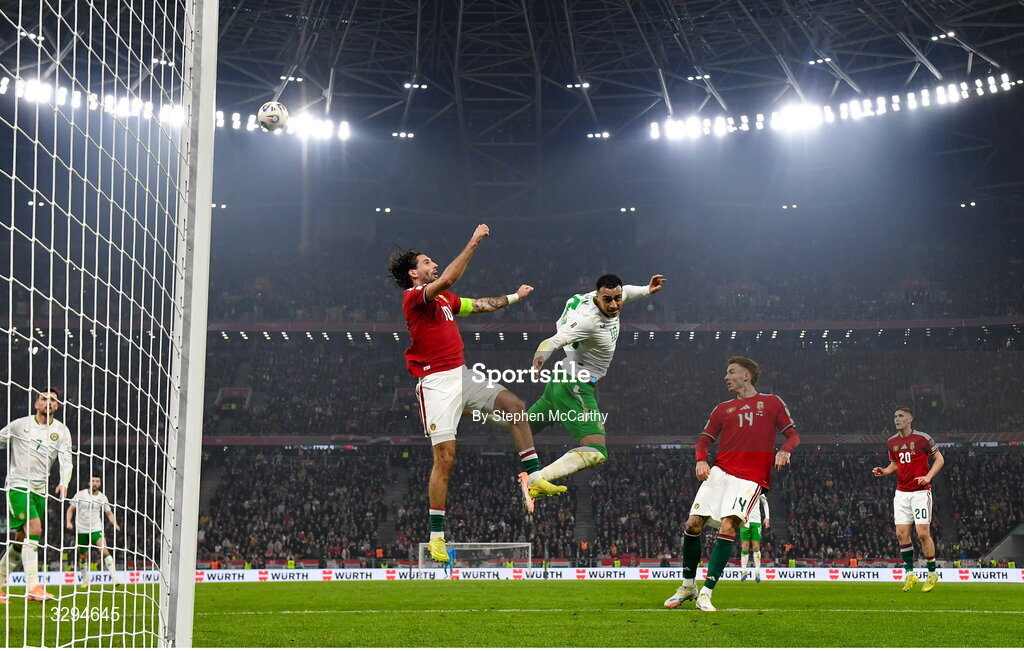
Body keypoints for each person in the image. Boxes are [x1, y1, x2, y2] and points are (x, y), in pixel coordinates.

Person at [388, 224, 565, 564]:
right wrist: (473, 242)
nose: (433, 264)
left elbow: (481, 305)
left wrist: (515, 296)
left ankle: (536, 478)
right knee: (446, 459)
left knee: (515, 407)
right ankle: (436, 536)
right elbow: (451, 279)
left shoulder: (444, 300)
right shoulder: (414, 298)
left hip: (462, 374)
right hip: (436, 384)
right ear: (414, 272)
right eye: (427, 262)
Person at [664, 357, 799, 612]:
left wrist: (785, 450)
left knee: (728, 526)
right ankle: (687, 586)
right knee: (693, 524)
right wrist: (700, 461)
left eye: (731, 372)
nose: (726, 377)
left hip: (750, 479)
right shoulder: (721, 409)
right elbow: (703, 441)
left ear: (746, 376)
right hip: (720, 472)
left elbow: (793, 435)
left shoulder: (772, 403)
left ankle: (706, 593)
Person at [525, 273, 665, 489]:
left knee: (520, 428)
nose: (614, 304)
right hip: (575, 385)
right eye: (608, 300)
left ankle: (473, 405)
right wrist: (538, 360)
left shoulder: (609, 297)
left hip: (561, 378)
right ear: (598, 297)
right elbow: (552, 341)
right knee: (597, 451)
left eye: (616, 298)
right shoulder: (587, 322)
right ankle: (536, 481)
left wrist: (647, 289)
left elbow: (627, 291)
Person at [0, 388, 74, 603]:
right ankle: (33, 586)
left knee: (21, 540)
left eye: (53, 400)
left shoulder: (61, 431)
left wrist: (63, 483)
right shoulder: (19, 425)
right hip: (18, 486)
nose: (48, 402)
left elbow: (66, 460)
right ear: (36, 404)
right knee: (35, 529)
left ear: (58, 406)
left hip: (40, 491)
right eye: (44, 399)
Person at [872, 407, 944, 592]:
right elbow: (895, 464)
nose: (897, 419)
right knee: (901, 534)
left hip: (920, 493)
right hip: (901, 493)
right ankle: (910, 574)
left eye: (901, 416)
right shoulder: (892, 442)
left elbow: (939, 459)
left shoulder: (922, 438)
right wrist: (885, 471)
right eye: (895, 416)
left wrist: (928, 477)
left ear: (910, 418)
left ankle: (932, 573)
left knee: (922, 534)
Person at [66, 475, 122, 587]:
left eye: (97, 481)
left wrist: (115, 523)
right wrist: (68, 522)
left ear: (100, 483)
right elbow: (70, 509)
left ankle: (115, 578)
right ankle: (85, 580)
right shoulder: (80, 494)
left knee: (104, 550)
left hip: (96, 528)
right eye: (93, 481)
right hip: (82, 529)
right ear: (89, 482)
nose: (95, 483)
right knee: (83, 556)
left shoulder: (102, 497)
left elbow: (109, 513)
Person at [739, 494, 770, 582]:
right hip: (745, 521)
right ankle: (744, 571)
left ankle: (757, 571)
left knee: (756, 546)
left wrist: (767, 518)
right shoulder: (743, 488)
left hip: (756, 521)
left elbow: (764, 502)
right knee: (745, 546)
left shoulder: (758, 487)